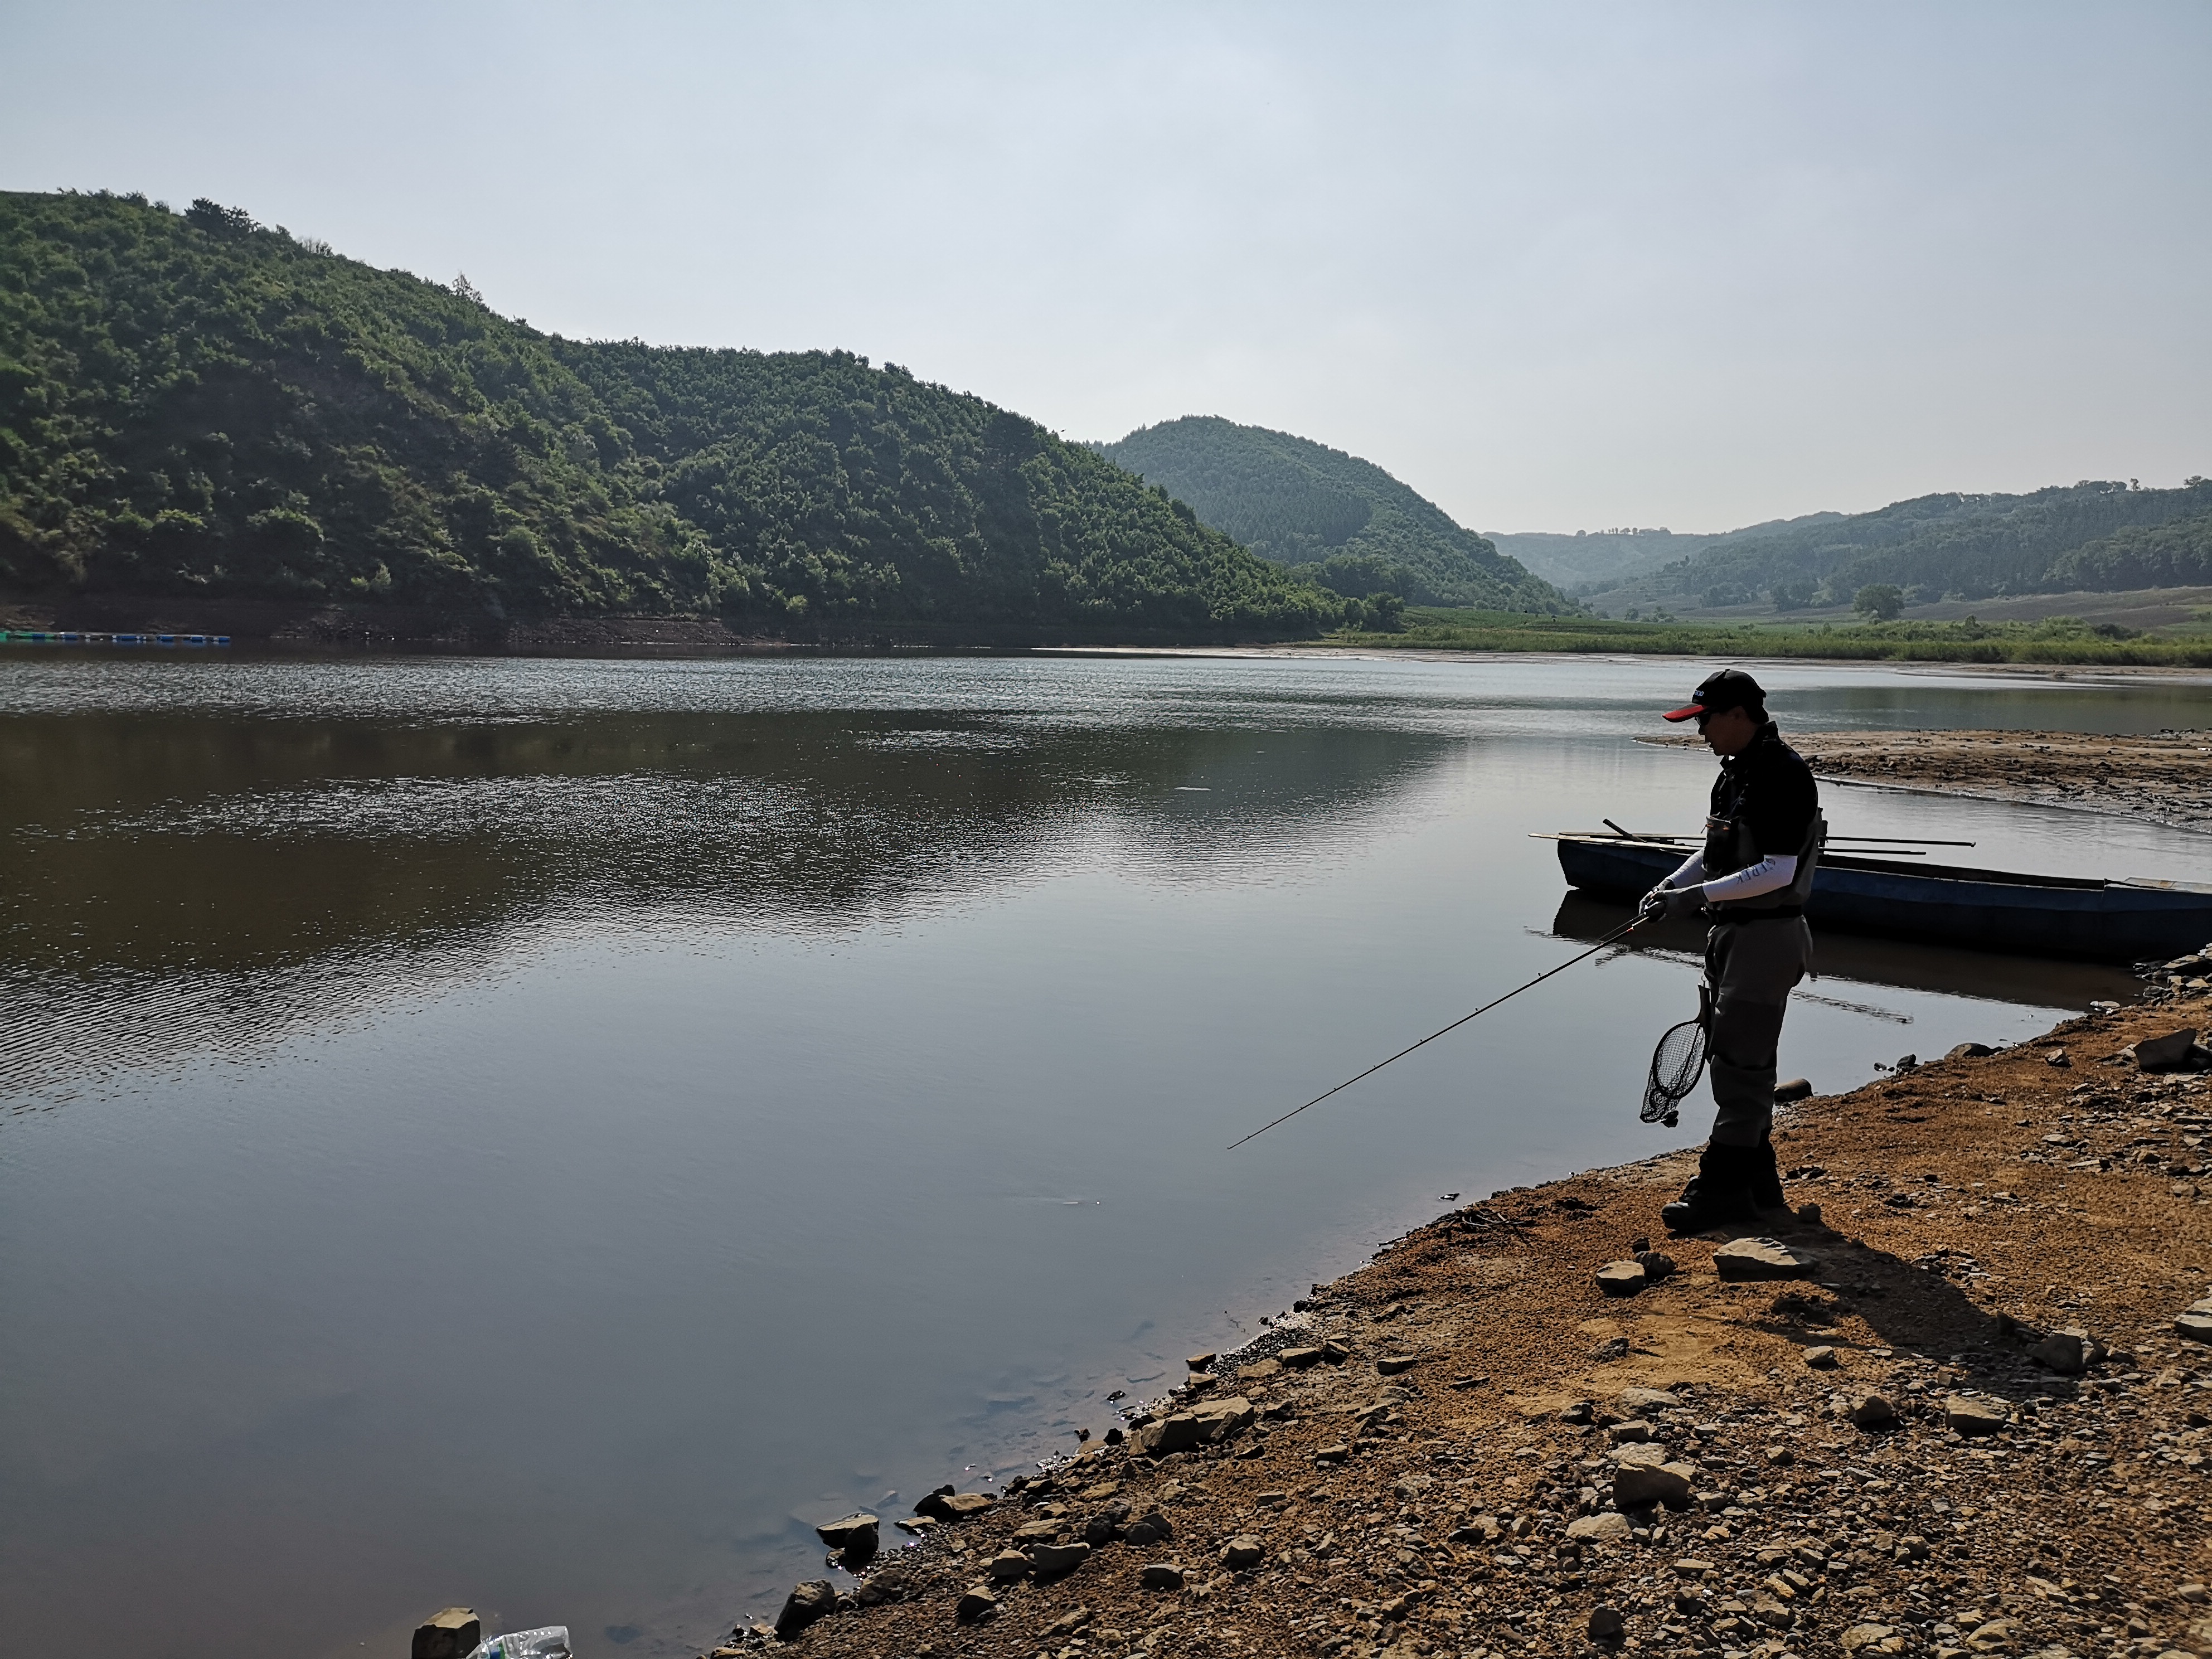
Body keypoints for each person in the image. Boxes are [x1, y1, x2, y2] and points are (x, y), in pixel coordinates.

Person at [1637, 668, 1822, 1233]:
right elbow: (1714, 852)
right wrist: (1671, 885)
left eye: (1705, 721)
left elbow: (1777, 871)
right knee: (1740, 1057)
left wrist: (1693, 897)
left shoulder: (1782, 775)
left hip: (1766, 939)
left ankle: (1719, 1191)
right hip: (1730, 934)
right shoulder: (1735, 772)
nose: (1700, 732)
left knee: (1740, 1065)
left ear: (1739, 715)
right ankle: (1759, 1187)